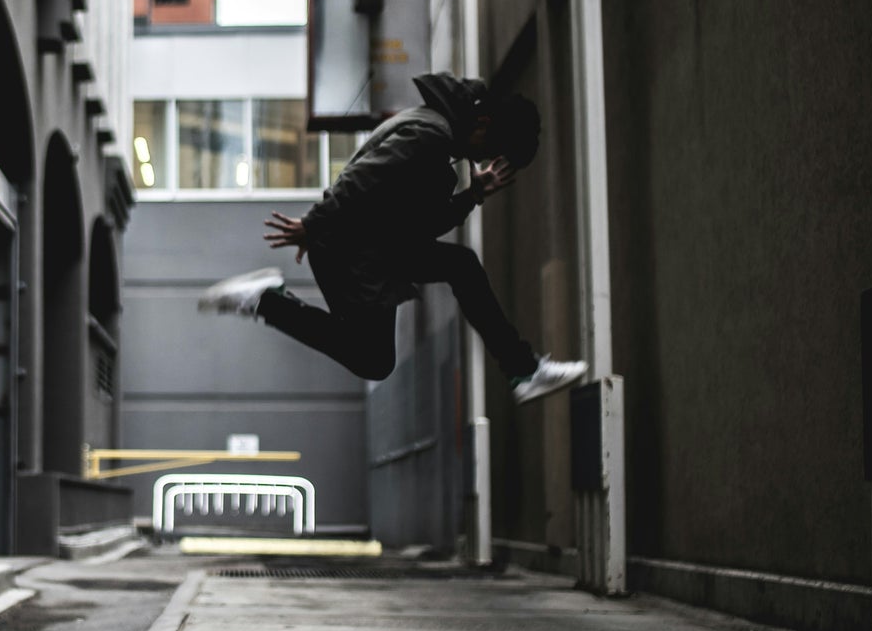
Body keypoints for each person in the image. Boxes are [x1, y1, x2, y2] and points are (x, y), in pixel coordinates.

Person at [197, 72, 585, 404]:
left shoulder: (435, 133)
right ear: (481, 123)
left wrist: (472, 195)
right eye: (490, 148)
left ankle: (523, 369)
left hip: (372, 247)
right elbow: (359, 178)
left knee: (451, 275)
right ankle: (265, 301)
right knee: (375, 357)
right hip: (353, 254)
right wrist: (314, 225)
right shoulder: (429, 136)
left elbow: (420, 224)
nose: (481, 158)